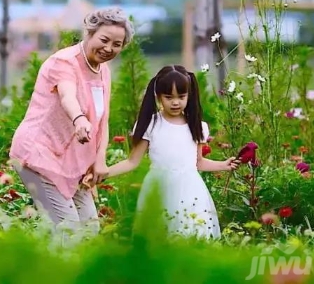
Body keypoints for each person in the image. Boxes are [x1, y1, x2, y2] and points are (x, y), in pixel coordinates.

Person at [9, 7, 135, 237]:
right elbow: (68, 96)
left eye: (117, 45)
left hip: (73, 164)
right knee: (69, 234)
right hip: (39, 155)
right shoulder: (64, 62)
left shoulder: (103, 71)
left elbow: (102, 121)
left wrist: (99, 162)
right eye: (104, 40)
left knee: (89, 231)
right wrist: (79, 120)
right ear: (89, 33)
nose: (108, 49)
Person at [87, 65, 238, 239]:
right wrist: (102, 174)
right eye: (168, 97)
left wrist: (224, 165)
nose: (175, 102)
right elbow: (132, 161)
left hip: (190, 191)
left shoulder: (196, 126)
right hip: (159, 189)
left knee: (191, 234)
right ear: (158, 96)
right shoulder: (151, 125)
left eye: (181, 97)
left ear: (189, 95)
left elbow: (198, 162)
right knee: (159, 237)